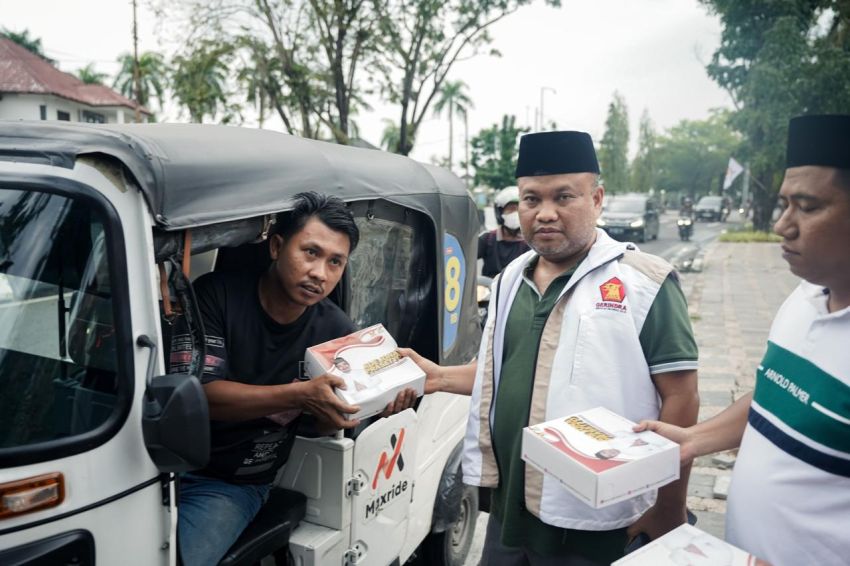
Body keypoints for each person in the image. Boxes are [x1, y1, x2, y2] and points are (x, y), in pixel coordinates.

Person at [402, 131, 699, 565]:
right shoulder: (509, 280)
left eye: (564, 197)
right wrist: (438, 376)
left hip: (597, 516)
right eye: (530, 199)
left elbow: (682, 395)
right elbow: (502, 371)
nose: (545, 214)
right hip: (512, 506)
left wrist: (669, 503)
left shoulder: (644, 282)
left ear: (596, 200)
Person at [636, 114, 850, 566]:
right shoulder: (803, 296)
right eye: (784, 204)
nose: (782, 226)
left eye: (808, 207)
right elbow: (778, 393)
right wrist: (694, 439)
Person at [170, 192, 416, 566]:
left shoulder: (338, 334)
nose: (320, 273)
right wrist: (300, 395)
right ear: (277, 246)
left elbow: (319, 424)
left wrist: (366, 409)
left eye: (336, 262)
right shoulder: (216, 294)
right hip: (160, 464)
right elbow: (199, 397)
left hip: (232, 484)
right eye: (311, 252)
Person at [478, 186, 530, 277]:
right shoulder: (488, 239)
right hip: (488, 288)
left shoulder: (530, 242)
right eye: (510, 209)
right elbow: (466, 256)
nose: (515, 213)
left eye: (518, 210)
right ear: (500, 213)